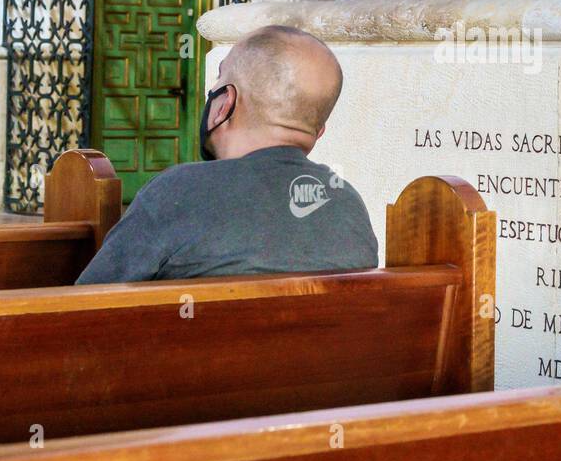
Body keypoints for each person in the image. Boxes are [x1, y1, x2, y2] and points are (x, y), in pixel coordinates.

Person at [76, 25, 378, 283]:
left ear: (225, 103)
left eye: (219, 80)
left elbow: (84, 308)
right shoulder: (348, 204)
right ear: (319, 131)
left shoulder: (178, 192)